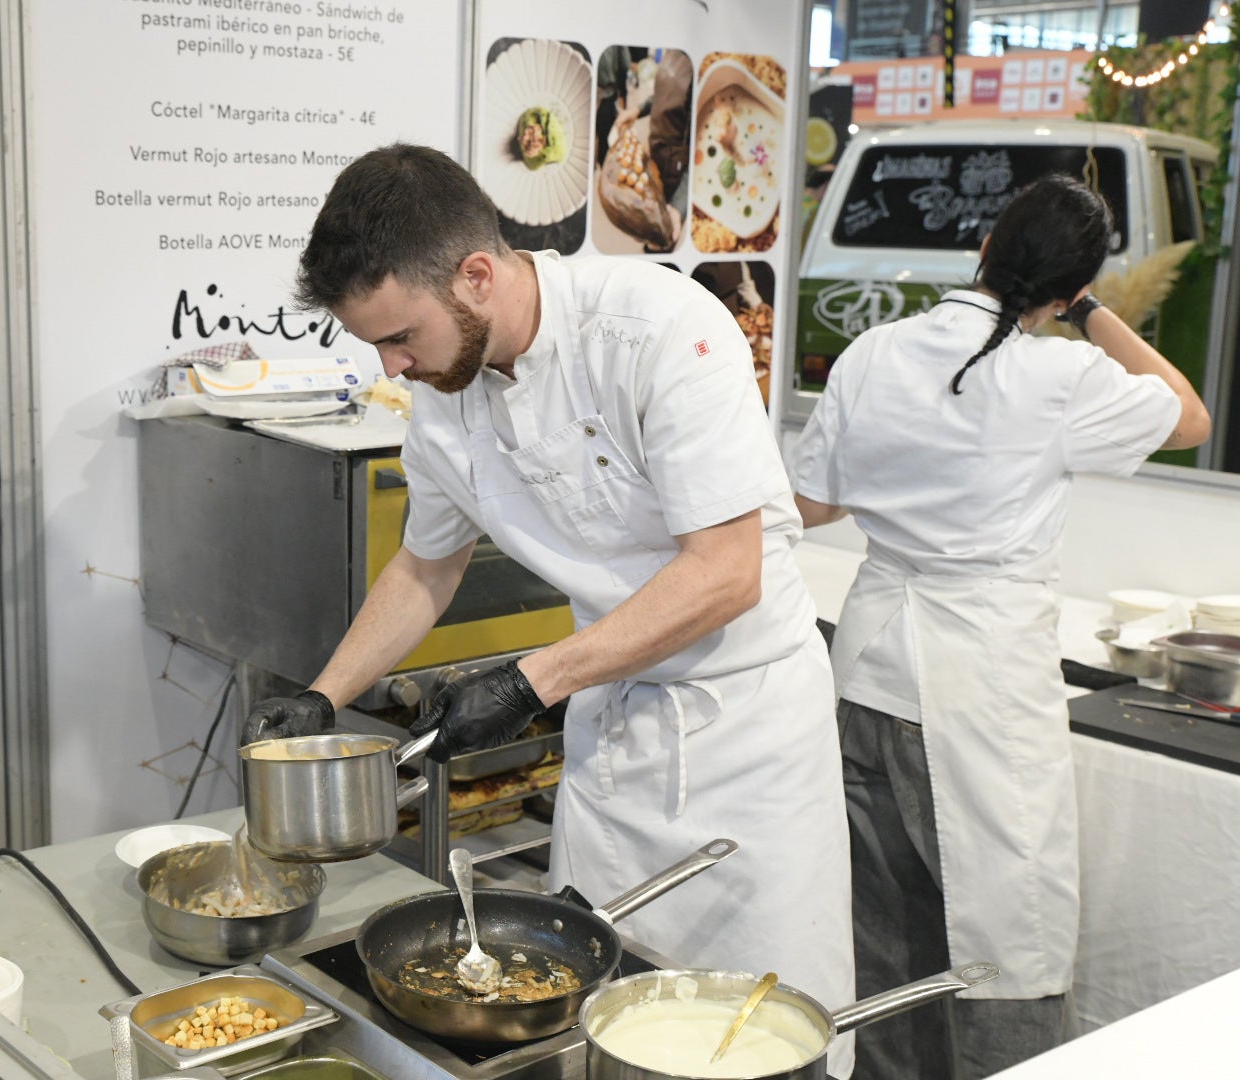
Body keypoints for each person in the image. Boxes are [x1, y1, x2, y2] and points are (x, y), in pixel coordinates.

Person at [243, 143, 855, 1077]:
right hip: (614, 731)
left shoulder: (660, 329)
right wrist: (324, 696)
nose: (393, 365)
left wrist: (534, 679)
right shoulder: (447, 393)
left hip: (748, 741)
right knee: (604, 1012)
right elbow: (424, 569)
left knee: (756, 1027)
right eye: (376, 346)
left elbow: (728, 572)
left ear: (477, 277)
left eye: (401, 337)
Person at [790, 174, 1210, 1080]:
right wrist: (1090, 312)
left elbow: (811, 502)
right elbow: (1189, 413)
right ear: (1066, 291)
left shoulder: (874, 351)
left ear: (984, 248)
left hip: (864, 673)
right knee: (1006, 935)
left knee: (879, 939)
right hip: (978, 692)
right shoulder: (1060, 373)